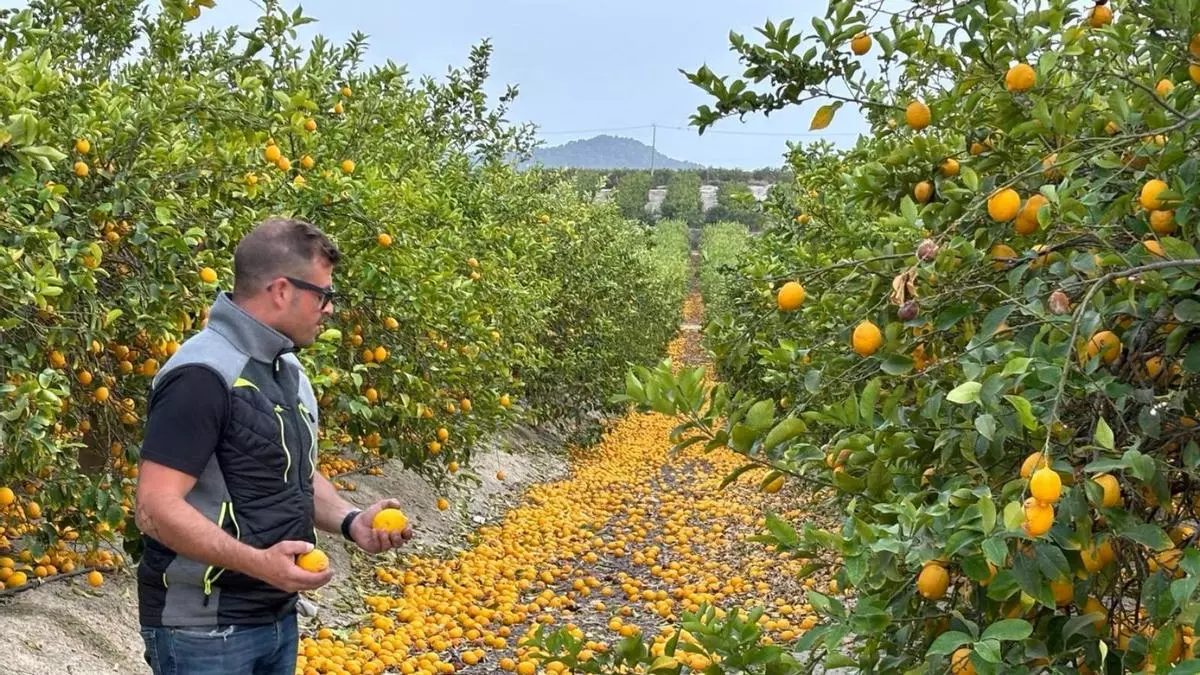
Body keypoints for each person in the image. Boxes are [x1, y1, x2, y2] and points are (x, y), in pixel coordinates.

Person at [133, 217, 412, 674]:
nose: (329, 309)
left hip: (275, 617)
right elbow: (154, 507)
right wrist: (259, 564)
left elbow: (290, 470)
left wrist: (349, 521)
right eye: (323, 295)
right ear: (282, 290)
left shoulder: (287, 370)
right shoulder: (203, 376)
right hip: (204, 630)